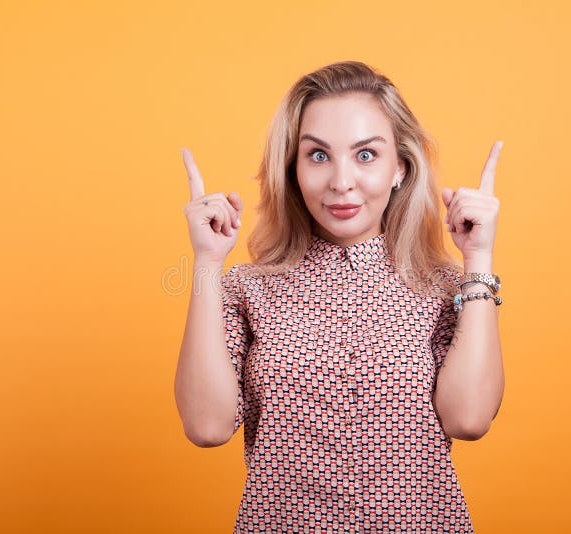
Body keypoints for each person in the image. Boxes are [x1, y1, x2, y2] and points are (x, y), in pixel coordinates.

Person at [175, 60, 505, 533]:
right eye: (318, 155)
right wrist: (207, 263)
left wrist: (479, 258)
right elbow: (206, 427)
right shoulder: (246, 288)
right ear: (292, 169)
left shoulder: (449, 287)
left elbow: (469, 420)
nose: (341, 181)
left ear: (400, 168)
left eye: (366, 155)